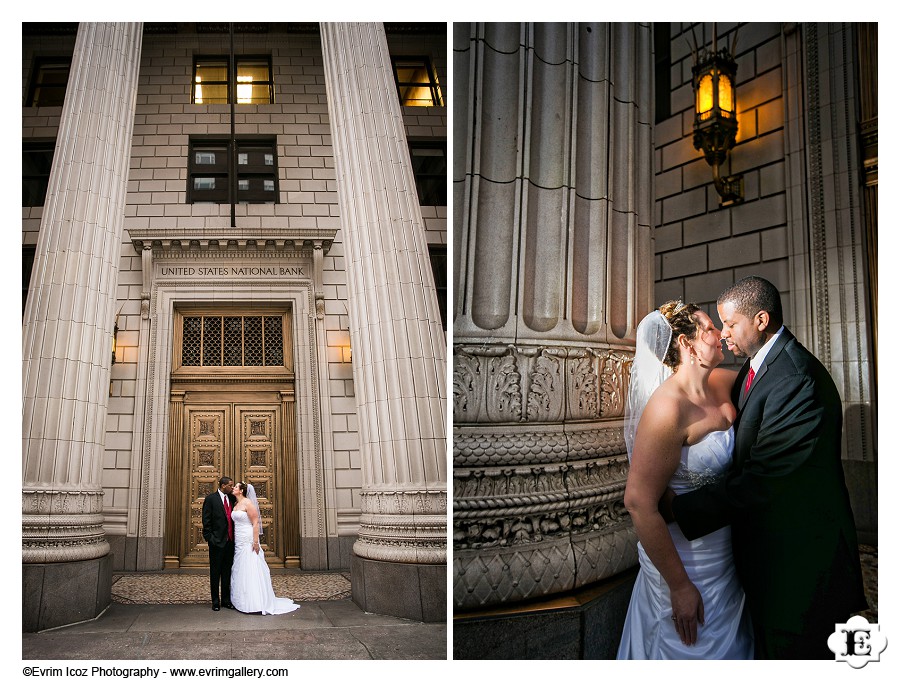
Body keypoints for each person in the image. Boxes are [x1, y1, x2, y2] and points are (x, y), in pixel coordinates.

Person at [667, 276, 867, 659]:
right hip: (765, 563)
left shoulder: (796, 378)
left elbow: (764, 478)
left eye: (730, 324)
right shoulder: (756, 367)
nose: (724, 334)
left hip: (800, 571)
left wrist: (679, 509)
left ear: (760, 320)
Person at [617, 301, 753, 659]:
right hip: (687, 560)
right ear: (686, 343)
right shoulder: (667, 408)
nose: (720, 334)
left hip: (725, 554)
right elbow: (638, 502)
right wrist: (679, 586)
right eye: (710, 328)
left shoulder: (724, 382)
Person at [230, 481, 300, 615]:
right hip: (239, 539)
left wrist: (255, 542)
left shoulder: (248, 503)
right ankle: (241, 600)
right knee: (240, 567)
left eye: (236, 487)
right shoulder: (236, 504)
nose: (233, 488)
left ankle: (255, 601)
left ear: (242, 490)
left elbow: (255, 522)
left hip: (248, 538)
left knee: (251, 566)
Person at [201, 476, 236, 611]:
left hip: (230, 543)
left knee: (227, 572)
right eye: (230, 485)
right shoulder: (211, 499)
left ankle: (226, 600)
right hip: (216, 543)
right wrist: (210, 538)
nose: (232, 488)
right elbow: (206, 519)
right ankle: (215, 601)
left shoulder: (232, 499)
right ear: (223, 486)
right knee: (215, 573)